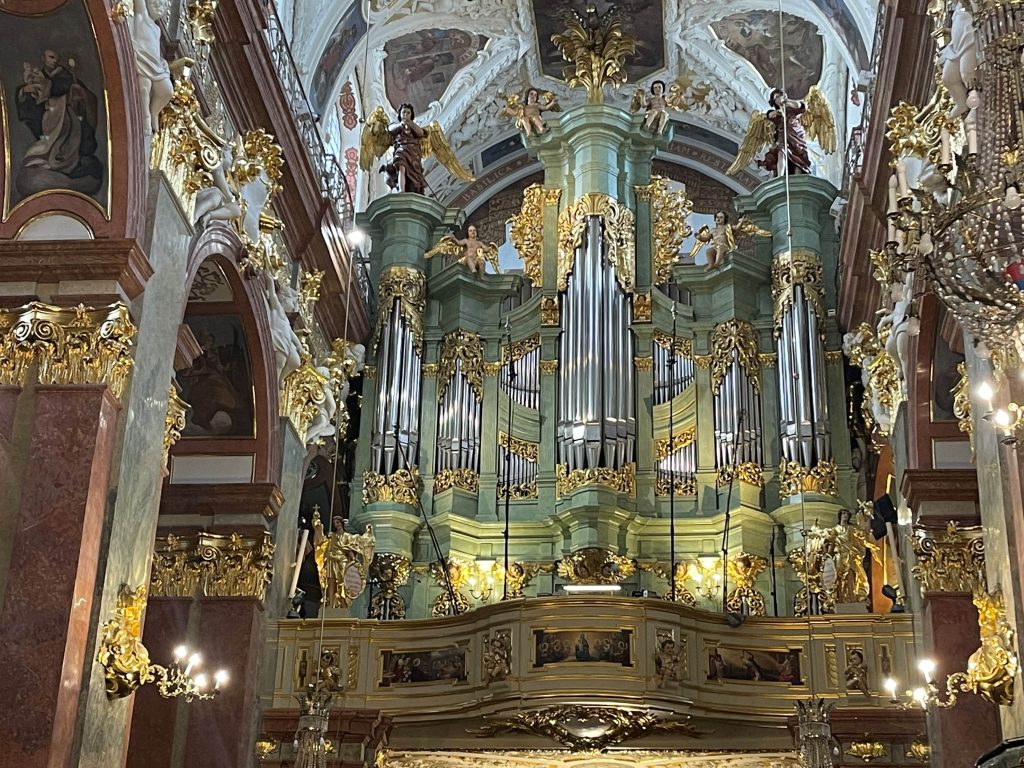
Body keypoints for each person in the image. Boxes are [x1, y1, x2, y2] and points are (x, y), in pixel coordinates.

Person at [761, 89, 810, 175]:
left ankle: (798, 176)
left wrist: (786, 102)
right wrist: (778, 111)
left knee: (798, 156)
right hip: (782, 136)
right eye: (775, 98)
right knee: (781, 152)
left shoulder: (792, 109)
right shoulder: (777, 114)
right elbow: (769, 115)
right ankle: (780, 175)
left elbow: (800, 105)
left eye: (778, 96)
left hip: (795, 134)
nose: (777, 99)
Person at [384, 103, 426, 194]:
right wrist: (400, 125)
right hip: (401, 150)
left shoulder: (413, 127)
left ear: (411, 115)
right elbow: (390, 129)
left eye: (408, 112)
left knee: (414, 173)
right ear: (400, 114)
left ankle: (413, 187)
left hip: (413, 152)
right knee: (401, 168)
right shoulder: (396, 126)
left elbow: (421, 133)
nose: (405, 114)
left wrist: (411, 124)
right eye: (403, 112)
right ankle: (401, 190)